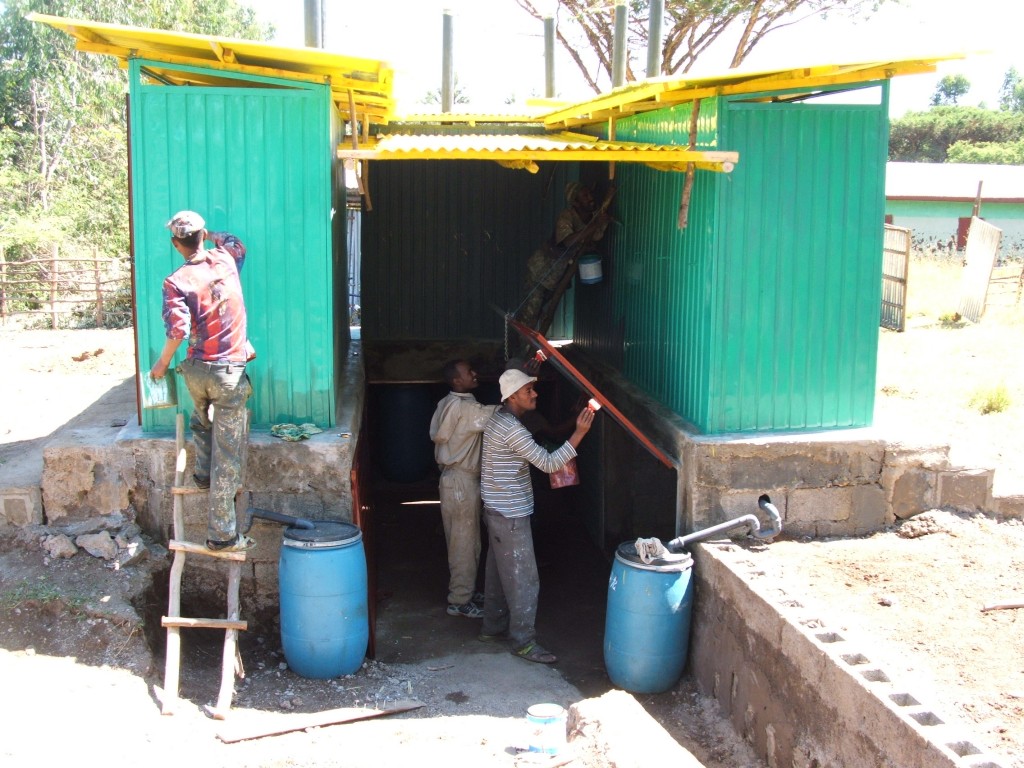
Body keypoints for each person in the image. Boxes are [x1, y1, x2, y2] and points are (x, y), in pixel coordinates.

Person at [149, 210, 255, 553]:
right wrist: (211, 236)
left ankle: (200, 475)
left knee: (201, 417)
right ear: (202, 234)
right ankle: (222, 534)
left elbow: (178, 331)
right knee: (228, 454)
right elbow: (236, 243)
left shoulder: (175, 281)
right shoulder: (225, 260)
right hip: (228, 373)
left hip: (196, 370)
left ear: (174, 244)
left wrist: (161, 366)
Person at [479, 368, 594, 664]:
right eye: (529, 390)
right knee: (524, 580)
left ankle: (492, 628)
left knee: (497, 573)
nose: (535, 394)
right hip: (511, 513)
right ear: (514, 396)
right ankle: (523, 642)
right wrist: (579, 432)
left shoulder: (499, 418)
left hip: (495, 508)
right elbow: (549, 463)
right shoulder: (513, 429)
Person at [429, 359, 500, 618]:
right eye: (468, 372)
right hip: (461, 482)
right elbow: (503, 413)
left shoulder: (446, 403)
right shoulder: (466, 409)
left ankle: (466, 591)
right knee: (464, 543)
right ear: (457, 381)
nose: (474, 373)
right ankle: (459, 600)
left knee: (466, 541)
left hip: (454, 480)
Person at [517, 181, 610, 335]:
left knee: (536, 313)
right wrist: (595, 226)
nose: (590, 198)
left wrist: (600, 223)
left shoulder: (593, 217)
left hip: (556, 279)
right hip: (540, 272)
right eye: (585, 195)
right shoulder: (567, 216)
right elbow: (568, 241)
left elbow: (594, 237)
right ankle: (518, 354)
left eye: (590, 194)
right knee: (529, 316)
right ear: (575, 202)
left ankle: (518, 350)